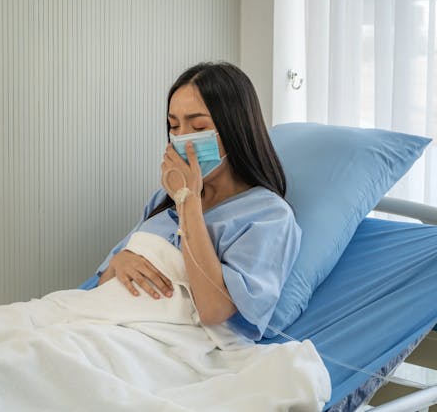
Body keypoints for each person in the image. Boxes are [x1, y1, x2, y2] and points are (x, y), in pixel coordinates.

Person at [96, 62, 301, 341]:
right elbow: (102, 281)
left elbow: (213, 309)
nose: (182, 139)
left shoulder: (269, 216)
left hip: (162, 341)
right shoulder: (162, 198)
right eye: (174, 126)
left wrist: (188, 201)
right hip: (102, 319)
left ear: (235, 128)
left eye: (198, 126)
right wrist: (119, 263)